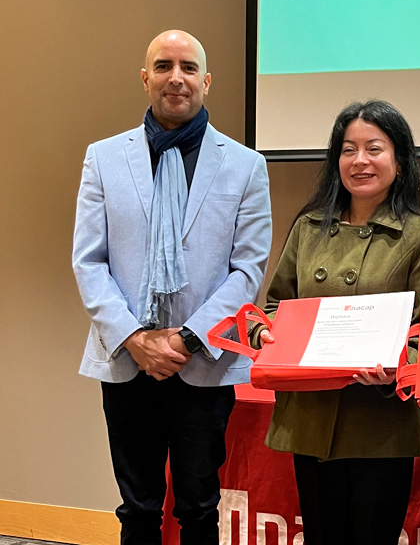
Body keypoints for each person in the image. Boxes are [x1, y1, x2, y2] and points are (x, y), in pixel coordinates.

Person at [72, 29, 272, 545]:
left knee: (200, 509)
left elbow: (247, 270)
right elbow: (89, 262)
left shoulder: (246, 165)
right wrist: (137, 338)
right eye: (163, 66)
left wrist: (184, 340)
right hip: (125, 359)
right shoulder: (103, 158)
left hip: (202, 362)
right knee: (137, 509)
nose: (175, 78)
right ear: (146, 79)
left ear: (206, 81)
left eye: (187, 68)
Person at [252, 100, 420, 545]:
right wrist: (265, 332)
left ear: (399, 160)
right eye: (348, 149)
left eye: (374, 148)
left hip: (378, 422)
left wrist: (399, 366)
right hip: (311, 417)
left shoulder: (419, 233)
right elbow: (276, 305)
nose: (360, 161)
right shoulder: (308, 227)